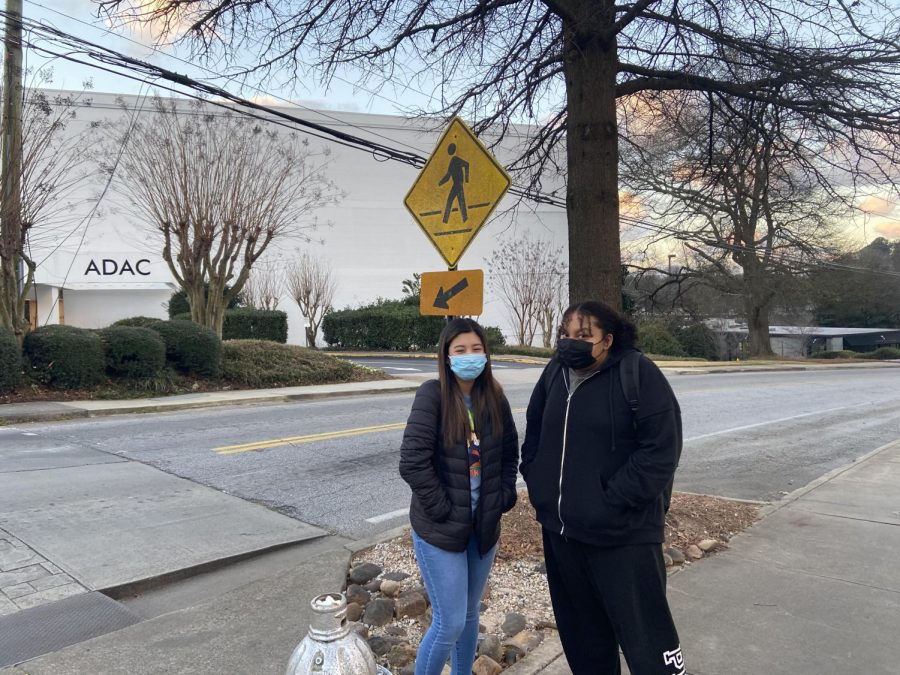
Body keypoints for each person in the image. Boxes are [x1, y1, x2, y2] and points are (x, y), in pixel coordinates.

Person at [520, 301, 685, 675]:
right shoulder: (554, 373)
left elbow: (661, 450)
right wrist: (537, 478)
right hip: (562, 534)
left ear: (607, 340)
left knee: (648, 645)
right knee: (585, 642)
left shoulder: (637, 373)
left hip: (621, 536)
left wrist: (610, 500)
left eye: (583, 335)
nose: (570, 342)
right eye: (565, 334)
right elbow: (535, 430)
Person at [400, 318, 519, 675]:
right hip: (441, 530)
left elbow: (511, 451)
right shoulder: (432, 395)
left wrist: (503, 497)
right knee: (449, 622)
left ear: (486, 353)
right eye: (460, 350)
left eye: (477, 348)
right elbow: (412, 463)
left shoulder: (494, 398)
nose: (470, 356)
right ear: (446, 356)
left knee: (469, 616)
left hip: (482, 528)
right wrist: (444, 510)